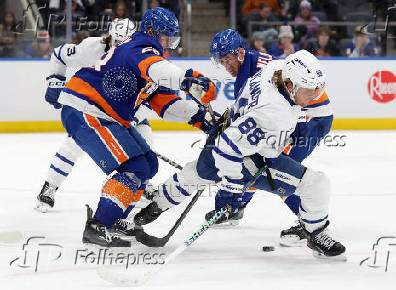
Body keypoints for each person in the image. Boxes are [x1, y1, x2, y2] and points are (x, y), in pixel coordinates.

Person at [137, 49, 346, 259]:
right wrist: (231, 189)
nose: (315, 95)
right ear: (290, 86)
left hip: (225, 127)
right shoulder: (273, 113)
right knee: (317, 185)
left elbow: (230, 138)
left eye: (318, 89)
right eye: (310, 90)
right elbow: (228, 148)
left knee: (196, 173)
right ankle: (316, 233)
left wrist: (289, 133)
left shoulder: (275, 69)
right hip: (245, 155)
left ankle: (154, 205)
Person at [57, 7, 216, 247]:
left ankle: (115, 218)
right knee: (133, 166)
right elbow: (156, 68)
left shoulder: (150, 59)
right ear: (152, 32)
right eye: (166, 37)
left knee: (147, 165)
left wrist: (200, 118)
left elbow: (166, 104)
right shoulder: (139, 48)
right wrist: (188, 78)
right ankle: (98, 225)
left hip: (105, 115)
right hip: (86, 109)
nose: (169, 44)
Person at [35, 18, 138, 221]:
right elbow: (59, 55)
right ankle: (50, 186)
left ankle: (139, 189)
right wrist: (55, 82)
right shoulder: (92, 47)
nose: (119, 48)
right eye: (115, 42)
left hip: (122, 112)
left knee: (141, 146)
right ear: (109, 38)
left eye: (123, 43)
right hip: (93, 111)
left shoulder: (138, 56)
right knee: (72, 146)